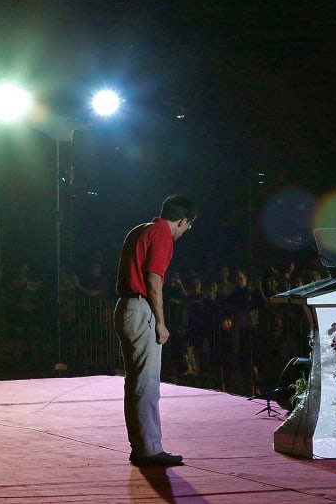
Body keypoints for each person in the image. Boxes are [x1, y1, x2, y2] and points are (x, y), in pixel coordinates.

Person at [114, 194, 197, 467]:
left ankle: (140, 445)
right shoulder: (162, 235)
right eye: (187, 226)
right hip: (141, 309)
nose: (185, 231)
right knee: (146, 384)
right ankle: (148, 449)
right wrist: (161, 323)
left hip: (125, 307)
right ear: (182, 220)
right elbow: (153, 279)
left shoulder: (140, 230)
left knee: (135, 382)